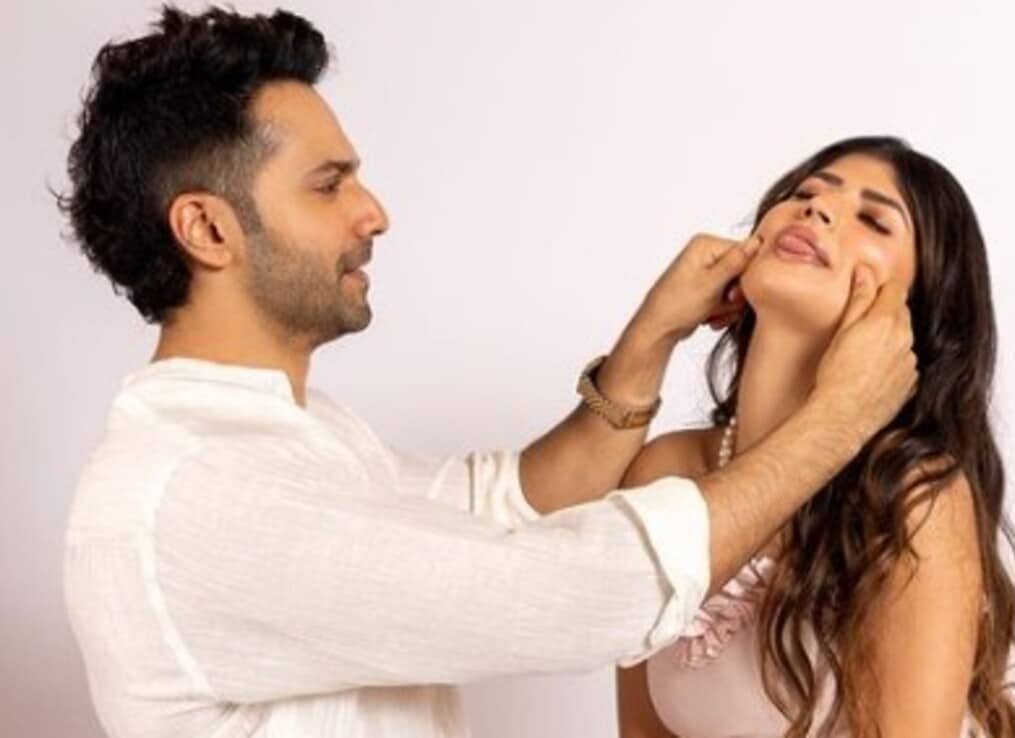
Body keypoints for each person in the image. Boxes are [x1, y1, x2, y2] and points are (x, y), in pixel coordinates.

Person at [58, 9, 916, 738]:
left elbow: (505, 506)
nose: (373, 213)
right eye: (328, 186)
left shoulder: (300, 437)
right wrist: (838, 421)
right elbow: (582, 595)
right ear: (208, 230)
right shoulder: (195, 496)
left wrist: (649, 341)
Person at [616, 137, 1015, 738]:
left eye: (874, 220)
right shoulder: (666, 472)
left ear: (916, 313)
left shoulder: (912, 500)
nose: (816, 209)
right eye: (805, 193)